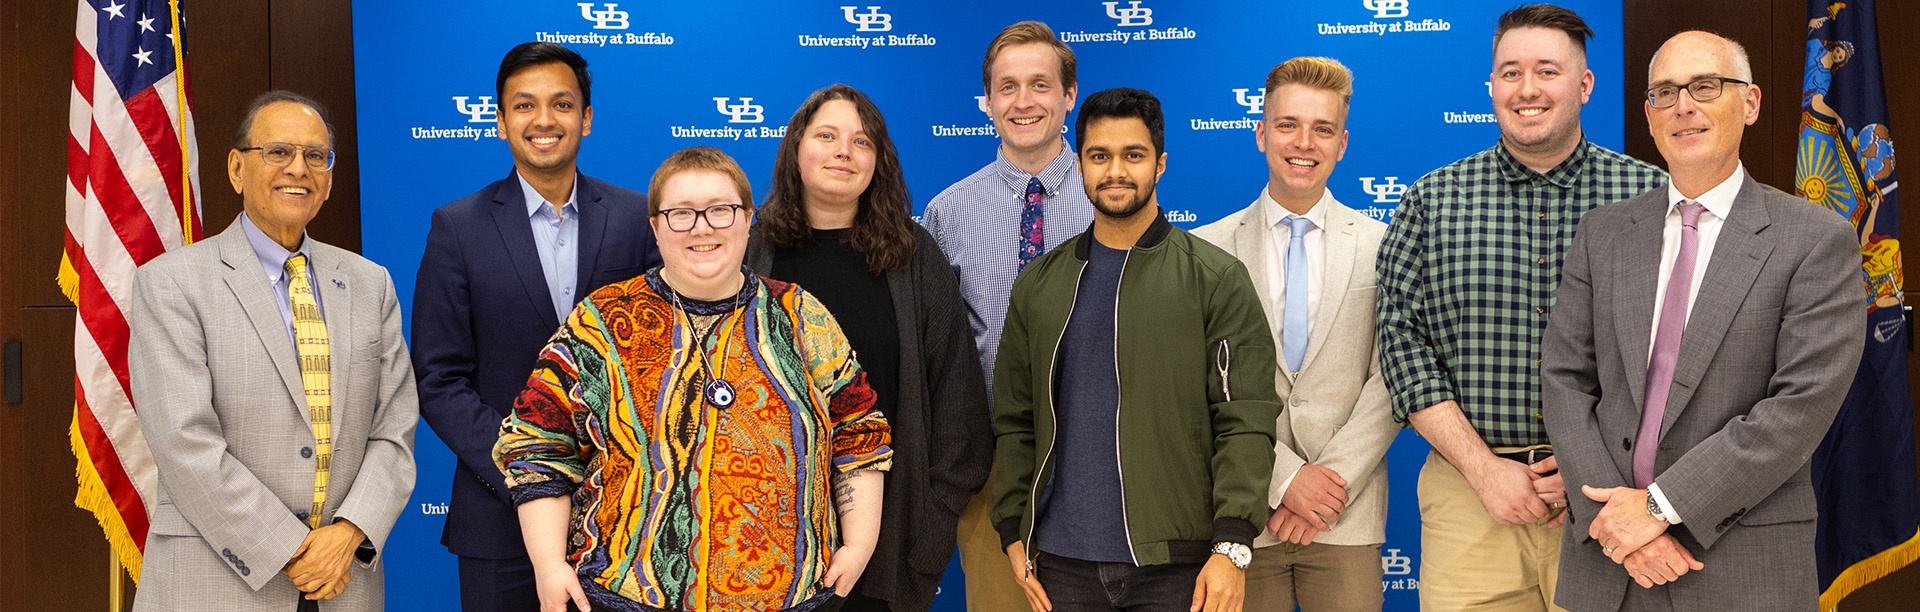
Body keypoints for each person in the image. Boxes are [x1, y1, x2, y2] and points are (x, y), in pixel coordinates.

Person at [1541, 31, 1864, 611]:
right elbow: (1564, 381)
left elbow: (1798, 409)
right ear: (1648, 113)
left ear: (1750, 103)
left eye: (1705, 86)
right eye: (1664, 92)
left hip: (1738, 566)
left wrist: (1659, 508)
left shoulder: (1816, 240)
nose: (1683, 105)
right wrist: (1612, 523)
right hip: (1608, 564)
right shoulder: (1604, 233)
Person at [495, 146, 893, 612]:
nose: (702, 227)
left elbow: (860, 431)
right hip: (623, 597)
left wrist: (860, 543)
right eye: (681, 213)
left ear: (748, 219)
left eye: (721, 211)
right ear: (656, 227)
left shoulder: (801, 316)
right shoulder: (601, 323)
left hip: (793, 597)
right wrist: (547, 564)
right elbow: (537, 444)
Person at [1373, 5, 1667, 610]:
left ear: (1584, 85)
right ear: (1491, 86)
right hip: (1469, 496)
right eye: (1510, 72)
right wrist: (1484, 470)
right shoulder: (1432, 200)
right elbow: (1401, 343)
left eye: (1547, 71)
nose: (1527, 89)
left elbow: (1676, 349)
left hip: (1615, 497)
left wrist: (1594, 460)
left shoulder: (1650, 196)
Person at [992, 87, 1281, 612]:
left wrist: (1233, 544)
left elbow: (1247, 419)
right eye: (1099, 156)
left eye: (1134, 154)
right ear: (1079, 163)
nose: (1115, 171)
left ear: (1161, 164)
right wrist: (1013, 530)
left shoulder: (1216, 279)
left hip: (1181, 566)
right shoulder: (1039, 284)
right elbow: (1015, 420)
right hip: (1060, 565)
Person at [129, 91, 418, 611]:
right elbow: (184, 442)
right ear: (237, 168)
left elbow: (394, 429)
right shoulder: (171, 283)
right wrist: (293, 550)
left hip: (344, 582)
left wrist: (349, 532)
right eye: (278, 152)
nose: (298, 169)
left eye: (315, 155)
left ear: (329, 177)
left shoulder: (369, 282)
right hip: (217, 581)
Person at [411, 41, 660, 611]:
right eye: (524, 106)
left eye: (562, 104)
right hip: (497, 516)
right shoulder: (457, 228)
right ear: (499, 121)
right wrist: (525, 470)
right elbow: (438, 379)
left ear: (586, 118)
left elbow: (660, 360)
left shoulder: (636, 218)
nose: (544, 120)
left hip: (624, 512)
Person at [746, 84, 993, 612]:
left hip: (893, 536)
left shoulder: (913, 255)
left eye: (861, 142)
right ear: (795, 149)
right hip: (760, 532)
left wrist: (937, 512)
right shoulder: (750, 250)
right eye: (827, 136)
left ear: (878, 161)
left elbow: (956, 390)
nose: (843, 151)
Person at [1192, 57, 1393, 612]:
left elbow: (1394, 377)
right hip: (1241, 520)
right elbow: (1198, 384)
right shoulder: (1206, 250)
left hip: (1345, 515)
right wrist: (1283, 482)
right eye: (1287, 125)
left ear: (1342, 142)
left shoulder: (1385, 244)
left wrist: (1326, 486)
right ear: (1260, 133)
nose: (1304, 142)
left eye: (1322, 128)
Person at [921, 23, 1095, 609]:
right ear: (988, 102)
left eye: (1040, 84)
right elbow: (932, 344)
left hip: (1096, 452)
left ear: (1069, 95)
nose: (1024, 102)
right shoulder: (947, 212)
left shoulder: (1114, 200)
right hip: (989, 457)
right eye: (1008, 87)